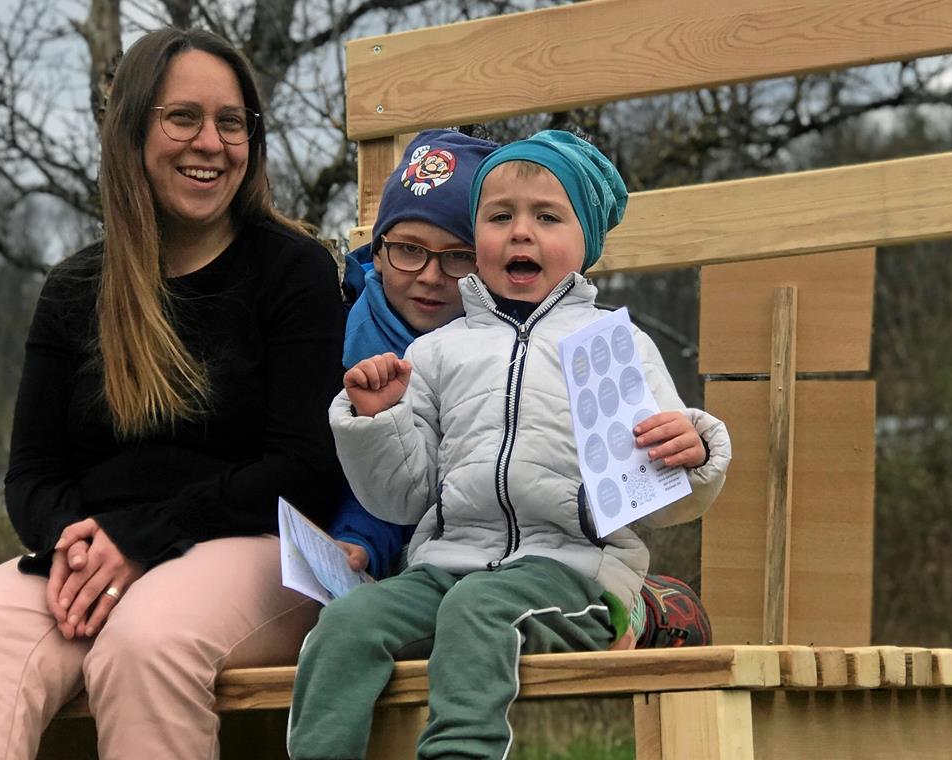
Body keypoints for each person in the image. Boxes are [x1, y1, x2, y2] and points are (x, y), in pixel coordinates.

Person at [0, 28, 346, 760]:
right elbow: (33, 475)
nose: (210, 141)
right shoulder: (77, 288)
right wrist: (79, 544)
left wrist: (141, 540)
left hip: (263, 548)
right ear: (134, 131)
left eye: (231, 122)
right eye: (183, 118)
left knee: (146, 645)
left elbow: (305, 469)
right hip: (99, 553)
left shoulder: (293, 271)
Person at [288, 130, 732, 760]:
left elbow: (657, 501)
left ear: (587, 244)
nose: (520, 232)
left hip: (573, 573)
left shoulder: (613, 348)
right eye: (500, 217)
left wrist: (695, 452)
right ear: (481, 241)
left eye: (546, 216)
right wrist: (377, 422)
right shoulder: (438, 352)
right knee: (348, 622)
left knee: (479, 607)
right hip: (446, 565)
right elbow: (401, 496)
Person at [330, 128, 500, 579]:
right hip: (378, 555)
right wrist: (358, 540)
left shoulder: (505, 352)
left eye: (458, 256)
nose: (429, 276)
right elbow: (364, 475)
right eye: (408, 249)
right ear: (379, 251)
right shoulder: (338, 334)